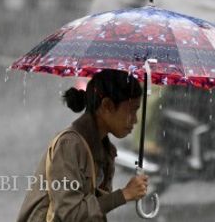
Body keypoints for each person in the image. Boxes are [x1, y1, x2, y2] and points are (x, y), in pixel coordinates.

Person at [17, 69, 149, 222]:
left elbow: (93, 212)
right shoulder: (69, 146)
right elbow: (69, 214)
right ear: (107, 106)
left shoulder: (105, 149)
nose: (135, 120)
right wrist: (124, 195)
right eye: (131, 111)